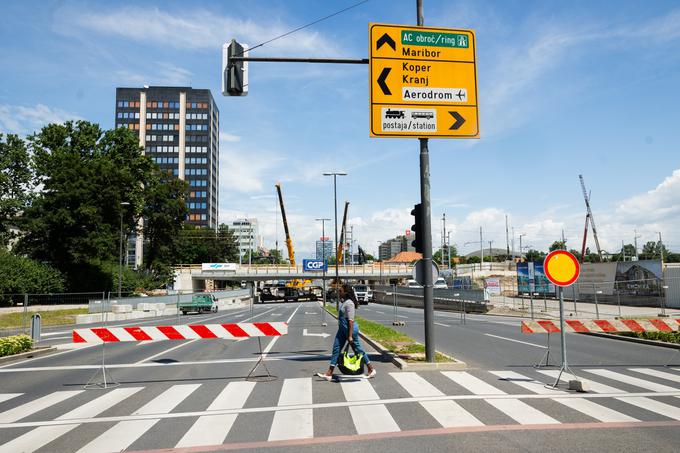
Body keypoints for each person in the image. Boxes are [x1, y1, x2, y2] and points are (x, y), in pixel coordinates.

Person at [317, 283, 376, 381]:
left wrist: (350, 336)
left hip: (350, 330)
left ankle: (371, 369)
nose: (339, 292)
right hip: (342, 330)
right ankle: (329, 373)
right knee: (336, 349)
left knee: (358, 350)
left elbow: (351, 321)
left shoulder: (350, 303)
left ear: (345, 292)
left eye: (340, 291)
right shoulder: (345, 302)